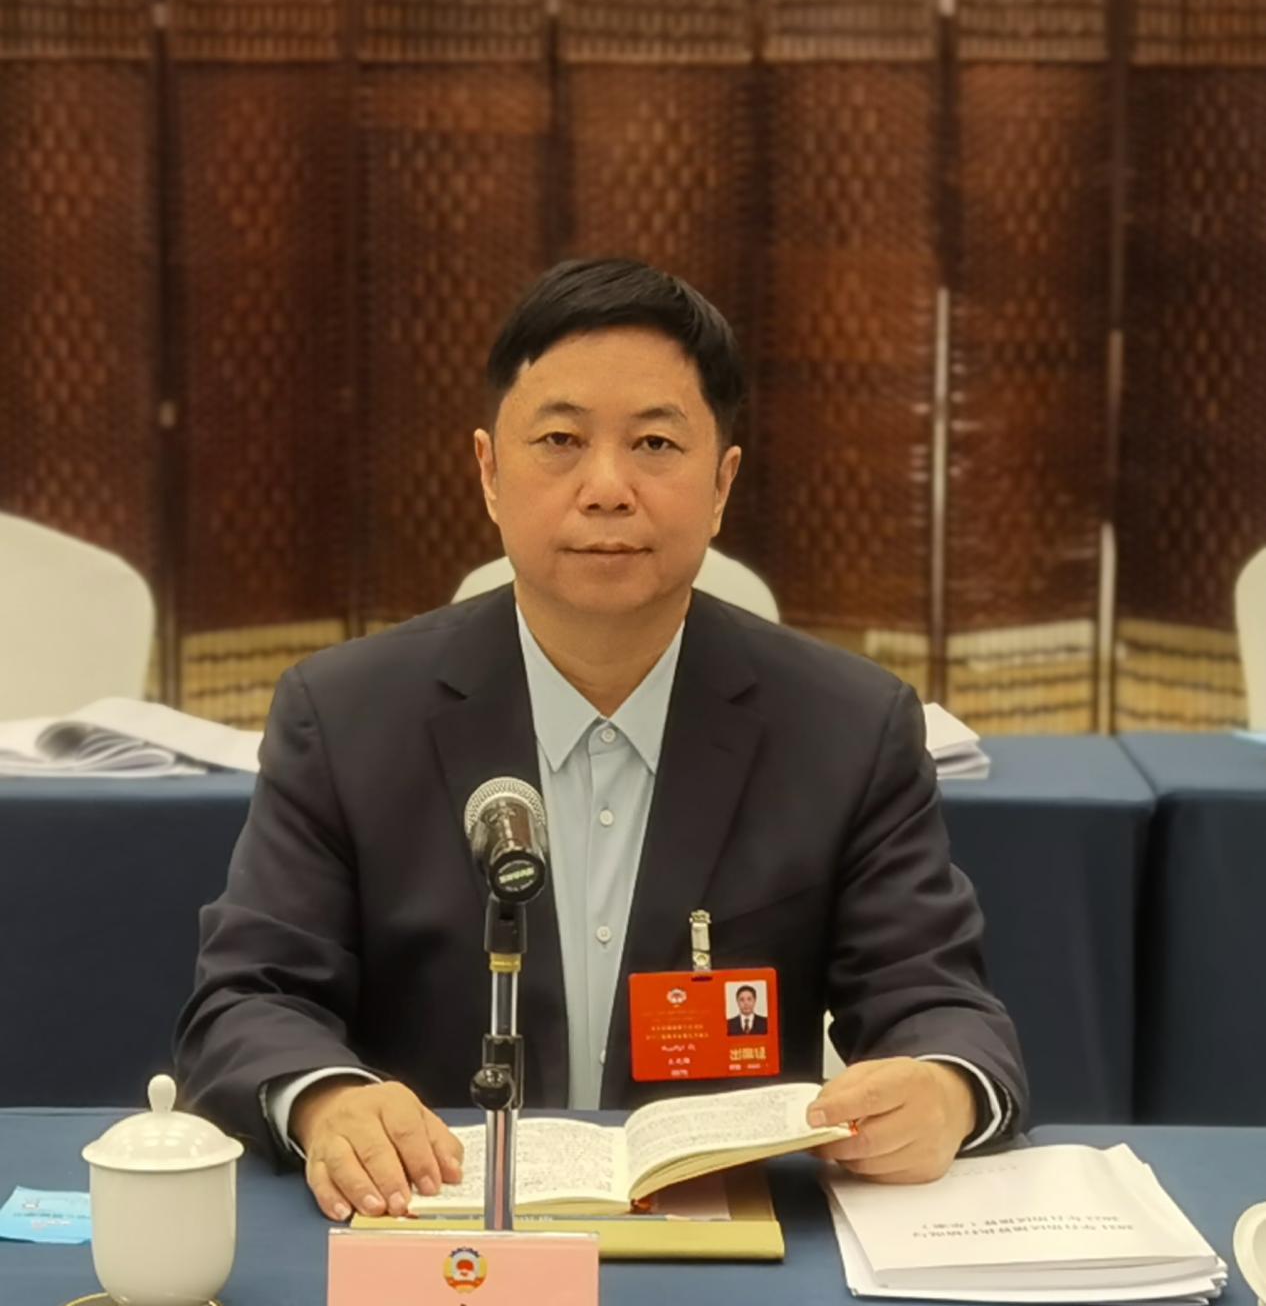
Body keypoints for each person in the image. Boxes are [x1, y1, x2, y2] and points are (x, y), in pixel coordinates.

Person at [175, 258, 1028, 1225]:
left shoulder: (845, 727)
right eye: (561, 441)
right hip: (435, 1231)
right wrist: (328, 1100)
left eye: (655, 442)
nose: (608, 488)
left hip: (720, 1243)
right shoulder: (346, 716)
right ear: (489, 473)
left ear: (722, 482)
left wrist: (944, 1089)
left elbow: (939, 1002)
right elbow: (246, 999)